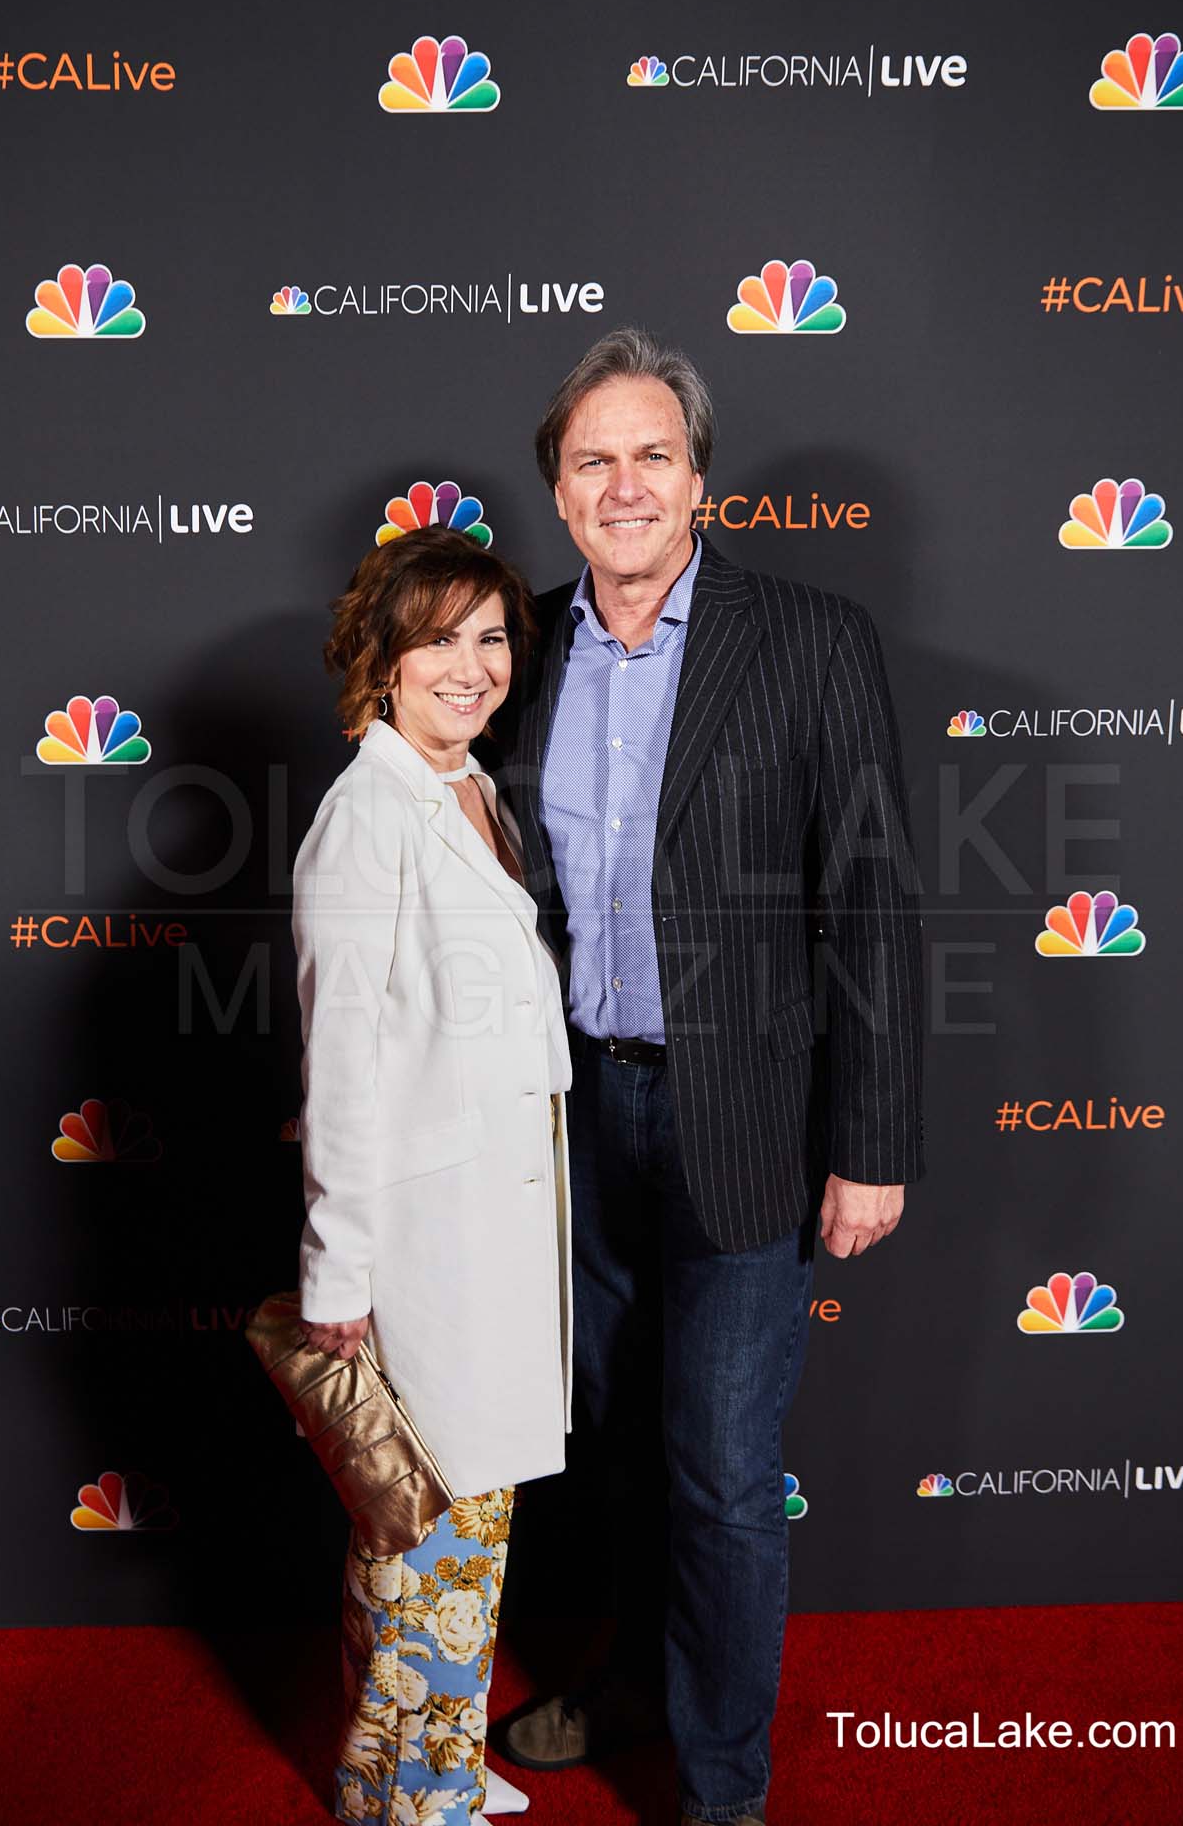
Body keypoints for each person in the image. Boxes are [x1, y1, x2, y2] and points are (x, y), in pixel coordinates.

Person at [498, 330, 925, 1826]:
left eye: (653, 456)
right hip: (569, 1120)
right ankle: (631, 1683)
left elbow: (873, 903)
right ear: (559, 492)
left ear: (700, 480)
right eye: (593, 461)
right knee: (611, 1445)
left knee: (724, 1470)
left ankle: (723, 1789)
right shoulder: (512, 649)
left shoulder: (808, 638)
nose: (625, 485)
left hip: (743, 1119)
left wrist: (871, 1141)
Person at [292, 525, 573, 1824]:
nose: (472, 666)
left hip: (500, 1217)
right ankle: (407, 1797)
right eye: (439, 639)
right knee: (425, 1525)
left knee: (470, 1514)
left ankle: (432, 1765)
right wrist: (337, 1271)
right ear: (383, 656)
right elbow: (341, 1066)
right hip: (422, 1236)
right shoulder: (365, 817)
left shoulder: (475, 789)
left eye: (492, 636)